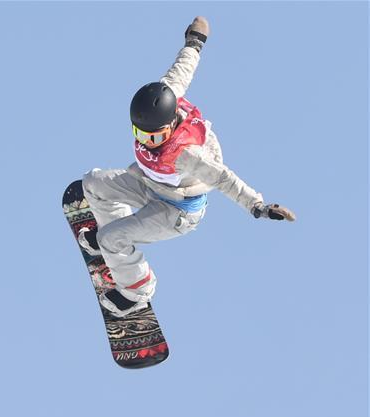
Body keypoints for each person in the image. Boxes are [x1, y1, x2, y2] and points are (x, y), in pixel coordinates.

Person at [78, 16, 296, 317]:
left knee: (109, 239)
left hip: (175, 213)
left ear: (170, 124)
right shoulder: (167, 94)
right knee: (92, 183)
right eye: (140, 134)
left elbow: (224, 179)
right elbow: (183, 68)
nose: (148, 141)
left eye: (154, 136)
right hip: (149, 184)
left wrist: (258, 206)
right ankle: (112, 237)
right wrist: (195, 42)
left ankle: (137, 292)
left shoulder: (187, 153)